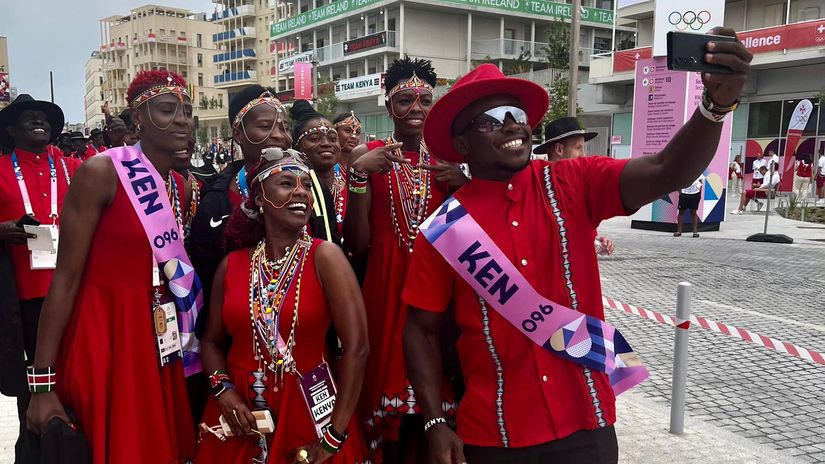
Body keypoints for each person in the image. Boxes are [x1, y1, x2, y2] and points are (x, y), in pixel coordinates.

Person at [403, 27, 751, 464]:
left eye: (516, 114)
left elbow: (669, 169)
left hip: (587, 421)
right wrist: (435, 422)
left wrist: (715, 107)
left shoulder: (572, 182)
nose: (512, 125)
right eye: (492, 120)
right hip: (495, 432)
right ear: (461, 146)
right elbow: (421, 331)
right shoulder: (444, 229)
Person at [25, 70, 200, 463]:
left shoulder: (180, 184)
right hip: (106, 332)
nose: (182, 120)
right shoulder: (101, 173)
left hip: (158, 333)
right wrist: (41, 385)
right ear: (138, 118)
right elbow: (66, 280)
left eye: (187, 111)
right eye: (168, 110)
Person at [196, 149, 370, 464]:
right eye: (287, 183)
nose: (301, 191)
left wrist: (332, 438)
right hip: (240, 415)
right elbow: (210, 341)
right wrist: (223, 390)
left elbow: (357, 349)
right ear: (260, 198)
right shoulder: (232, 265)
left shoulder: (325, 257)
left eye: (306, 185)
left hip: (308, 410)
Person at [344, 56, 464, 462]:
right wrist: (359, 178)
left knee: (436, 402)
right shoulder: (369, 155)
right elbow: (356, 244)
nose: (416, 109)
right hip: (386, 286)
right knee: (388, 403)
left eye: (425, 100)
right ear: (387, 105)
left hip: (437, 289)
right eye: (405, 100)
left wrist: (464, 186)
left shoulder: (447, 160)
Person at [0, 93, 77, 463]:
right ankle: (35, 452)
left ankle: (77, 446)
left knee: (75, 377)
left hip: (76, 291)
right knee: (33, 384)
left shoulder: (74, 168)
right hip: (25, 298)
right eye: (28, 117)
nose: (38, 121)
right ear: (11, 130)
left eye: (44, 117)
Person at [190, 85, 294, 343]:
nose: (279, 136)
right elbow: (208, 281)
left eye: (284, 127)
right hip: (235, 339)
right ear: (239, 133)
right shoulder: (214, 201)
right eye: (266, 126)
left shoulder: (310, 189)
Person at [534, 116, 614, 255]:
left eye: (584, 149)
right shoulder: (536, 186)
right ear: (559, 149)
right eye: (578, 148)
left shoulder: (579, 187)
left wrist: (597, 243)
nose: (583, 156)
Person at [291, 100, 346, 238]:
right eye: (315, 138)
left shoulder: (353, 180)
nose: (327, 144)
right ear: (297, 147)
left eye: (333, 138)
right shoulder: (294, 191)